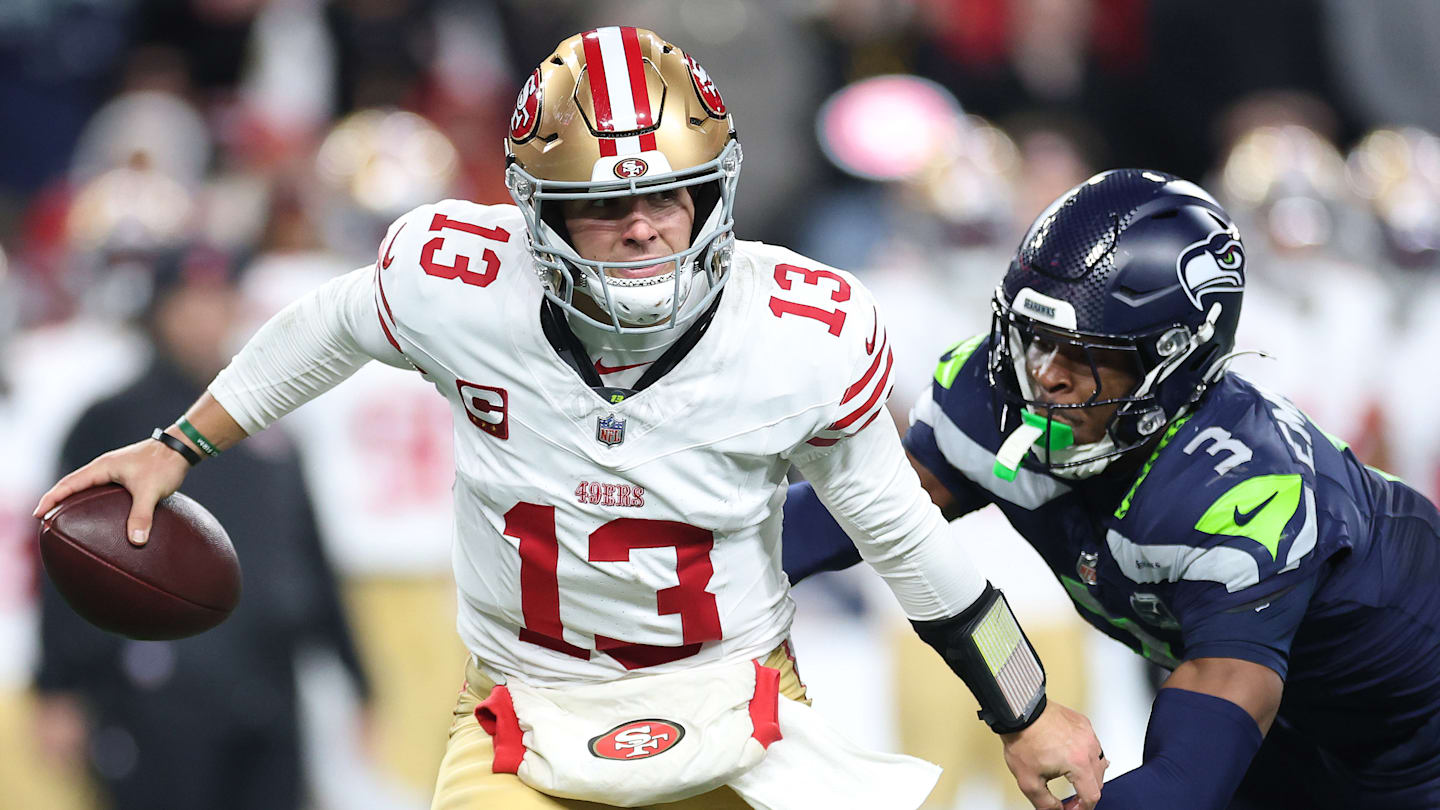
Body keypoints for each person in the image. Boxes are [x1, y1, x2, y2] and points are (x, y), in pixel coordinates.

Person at [34, 27, 1106, 810]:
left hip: (738, 704)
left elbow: (905, 537)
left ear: (715, 194)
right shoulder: (462, 283)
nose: (644, 229)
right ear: (538, 213)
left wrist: (1025, 709)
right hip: (525, 714)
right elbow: (333, 322)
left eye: (669, 195)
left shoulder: (795, 332)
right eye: (605, 205)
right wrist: (181, 445)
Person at [780, 168, 1440, 809]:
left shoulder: (1243, 494)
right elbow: (853, 517)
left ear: (1174, 362)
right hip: (1280, 725)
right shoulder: (996, 396)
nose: (1046, 376)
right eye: (1036, 338)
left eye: (1085, 354)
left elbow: (1184, 780)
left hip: (1411, 739)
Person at [34, 246, 371, 810]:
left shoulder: (269, 422)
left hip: (268, 680)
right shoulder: (111, 420)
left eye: (218, 299)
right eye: (189, 302)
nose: (205, 317)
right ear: (158, 311)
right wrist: (58, 685)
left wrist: (357, 674)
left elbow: (307, 551)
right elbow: (65, 557)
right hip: (154, 687)